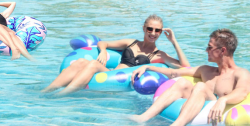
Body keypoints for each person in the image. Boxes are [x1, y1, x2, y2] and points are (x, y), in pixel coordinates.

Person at [130, 28, 250, 126]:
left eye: (210, 47)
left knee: (200, 86)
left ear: (223, 50)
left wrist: (223, 100)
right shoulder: (205, 70)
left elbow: (242, 92)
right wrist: (148, 67)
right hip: (205, 103)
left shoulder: (240, 73)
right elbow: (175, 73)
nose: (206, 50)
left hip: (216, 122)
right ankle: (143, 118)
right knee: (182, 82)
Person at [46, 14, 191, 92]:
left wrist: (174, 41)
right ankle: (47, 91)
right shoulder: (130, 43)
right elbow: (104, 43)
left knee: (91, 64)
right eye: (150, 29)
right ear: (144, 28)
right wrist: (102, 51)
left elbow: (185, 67)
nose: (153, 33)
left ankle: (62, 94)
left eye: (157, 30)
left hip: (122, 82)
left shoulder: (159, 55)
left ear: (161, 32)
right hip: (109, 73)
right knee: (81, 62)